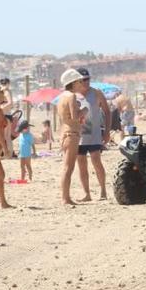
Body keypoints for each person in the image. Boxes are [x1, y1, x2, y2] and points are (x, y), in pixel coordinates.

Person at [75, 68, 111, 201]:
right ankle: (87, 193)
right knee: (81, 164)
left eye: (88, 79)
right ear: (77, 81)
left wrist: (107, 132)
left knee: (96, 160)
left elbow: (107, 112)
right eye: (83, 80)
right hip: (79, 135)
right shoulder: (73, 95)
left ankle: (103, 191)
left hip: (95, 134)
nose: (86, 82)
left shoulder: (96, 93)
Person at [57, 69, 87, 205]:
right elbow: (75, 116)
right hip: (72, 134)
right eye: (80, 81)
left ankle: (65, 197)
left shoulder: (62, 96)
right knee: (68, 168)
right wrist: (85, 110)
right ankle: (65, 198)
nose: (82, 83)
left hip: (65, 133)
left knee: (66, 167)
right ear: (73, 82)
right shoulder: (71, 96)